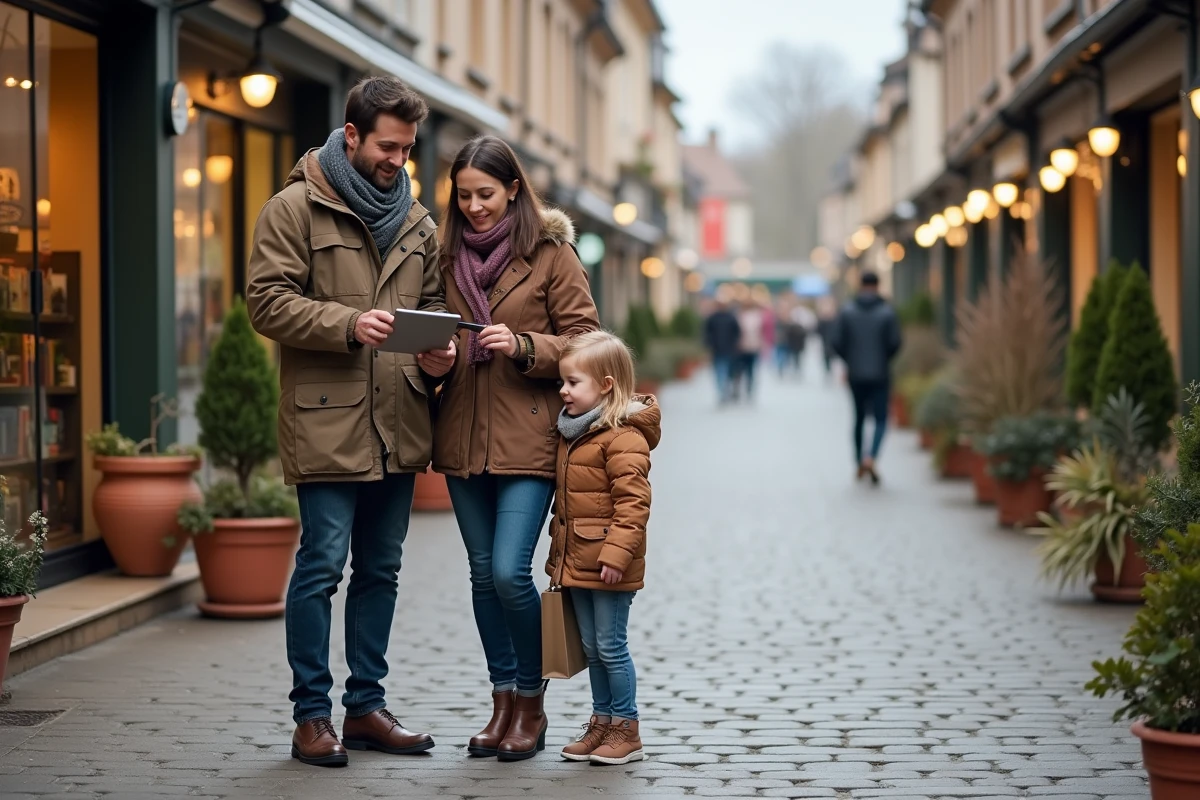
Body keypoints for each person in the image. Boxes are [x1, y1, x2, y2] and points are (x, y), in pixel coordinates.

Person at [246, 77, 455, 767]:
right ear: (352, 134)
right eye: (388, 146)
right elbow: (266, 303)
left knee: (383, 569)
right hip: (327, 423)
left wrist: (436, 358)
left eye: (407, 148)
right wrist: (345, 323)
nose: (398, 159)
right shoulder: (294, 208)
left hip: (399, 424)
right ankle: (312, 717)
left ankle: (365, 708)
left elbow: (428, 309)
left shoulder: (419, 221)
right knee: (322, 565)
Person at [432, 135, 600, 761]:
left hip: (529, 436)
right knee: (482, 576)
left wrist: (527, 345)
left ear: (512, 190)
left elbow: (587, 340)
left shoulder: (551, 255)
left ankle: (531, 702)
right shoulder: (444, 256)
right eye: (464, 194)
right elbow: (429, 331)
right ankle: (501, 701)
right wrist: (433, 357)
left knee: (508, 571)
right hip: (461, 435)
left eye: (486, 194)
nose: (475, 206)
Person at [547, 331, 660, 766]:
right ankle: (601, 722)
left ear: (607, 385)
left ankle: (626, 728)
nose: (563, 390)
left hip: (609, 563)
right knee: (592, 647)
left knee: (611, 646)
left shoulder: (623, 436)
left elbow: (634, 505)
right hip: (578, 560)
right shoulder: (576, 431)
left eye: (573, 382)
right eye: (564, 381)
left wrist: (615, 554)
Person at [831, 272, 902, 484]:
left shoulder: (847, 311)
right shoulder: (887, 312)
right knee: (881, 418)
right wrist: (883, 358)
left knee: (859, 418)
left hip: (856, 374)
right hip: (880, 373)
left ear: (860, 285)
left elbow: (836, 342)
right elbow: (895, 343)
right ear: (877, 286)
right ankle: (871, 456)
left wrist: (850, 360)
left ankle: (859, 460)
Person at [703, 298, 740, 404]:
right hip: (719, 350)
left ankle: (723, 391)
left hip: (727, 350)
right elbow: (707, 334)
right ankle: (722, 392)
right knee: (720, 372)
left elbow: (737, 333)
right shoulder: (714, 318)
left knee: (725, 372)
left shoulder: (730, 318)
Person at [733, 299, 765, 401]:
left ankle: (737, 389)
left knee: (739, 370)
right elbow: (761, 332)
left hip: (741, 347)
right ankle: (749, 390)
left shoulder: (739, 317)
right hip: (753, 347)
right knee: (751, 370)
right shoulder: (757, 317)